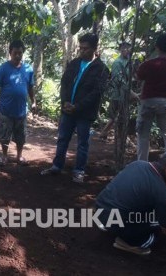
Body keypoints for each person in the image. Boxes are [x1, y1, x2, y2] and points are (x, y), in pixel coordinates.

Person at [41, 33, 109, 183]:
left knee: (83, 142)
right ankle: (57, 166)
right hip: (67, 110)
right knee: (63, 138)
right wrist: (65, 101)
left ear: (94, 49)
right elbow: (64, 83)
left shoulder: (102, 69)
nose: (82, 51)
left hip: (84, 113)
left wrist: (77, 107)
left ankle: (79, 170)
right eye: (81, 48)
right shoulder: (74, 63)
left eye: (86, 49)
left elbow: (96, 93)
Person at [95, 148, 166, 255]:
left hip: (100, 209)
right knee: (157, 230)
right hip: (117, 220)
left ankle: (109, 225)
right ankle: (129, 243)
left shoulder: (138, 164)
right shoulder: (162, 193)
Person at [136, 32, 166, 161]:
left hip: (148, 101)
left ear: (157, 47)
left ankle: (142, 164)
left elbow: (138, 77)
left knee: (143, 135)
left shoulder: (148, 64)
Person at [0, 40, 35, 167]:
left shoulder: (28, 69)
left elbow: (31, 87)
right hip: (6, 109)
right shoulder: (3, 68)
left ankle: (19, 156)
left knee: (20, 136)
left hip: (21, 110)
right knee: (5, 135)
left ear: (23, 53)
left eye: (20, 53)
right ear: (10, 52)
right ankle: (4, 156)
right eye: (15, 53)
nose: (17, 55)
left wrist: (34, 102)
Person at [99, 42, 138, 140]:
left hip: (126, 94)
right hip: (117, 94)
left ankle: (105, 134)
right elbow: (118, 79)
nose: (126, 50)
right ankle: (116, 137)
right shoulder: (117, 62)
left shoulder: (129, 61)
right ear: (120, 50)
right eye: (124, 49)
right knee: (115, 116)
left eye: (128, 48)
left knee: (119, 116)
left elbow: (132, 76)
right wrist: (131, 92)